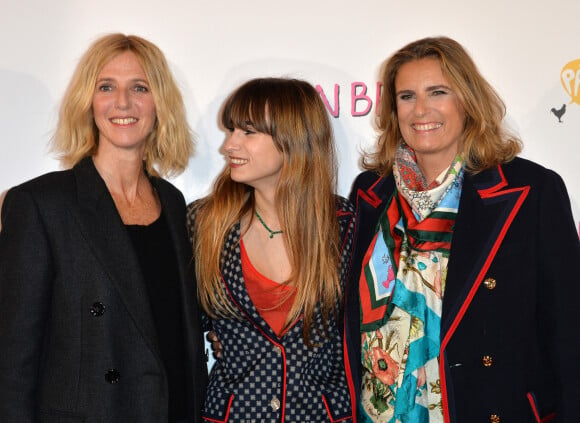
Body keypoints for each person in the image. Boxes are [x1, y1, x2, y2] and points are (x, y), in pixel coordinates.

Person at [345, 36, 580, 423]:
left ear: (467, 100)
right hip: (381, 411)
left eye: (438, 92)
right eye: (406, 96)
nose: (421, 110)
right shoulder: (371, 193)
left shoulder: (530, 191)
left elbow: (569, 329)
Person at [0, 33, 207, 423]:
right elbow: (13, 360)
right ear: (88, 102)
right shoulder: (40, 204)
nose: (123, 103)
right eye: (106, 87)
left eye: (140, 88)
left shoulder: (175, 202)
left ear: (159, 103)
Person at [187, 77, 356, 422]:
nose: (229, 145)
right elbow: (182, 326)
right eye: (231, 130)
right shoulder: (203, 223)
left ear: (293, 140)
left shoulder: (346, 225)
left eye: (248, 132)